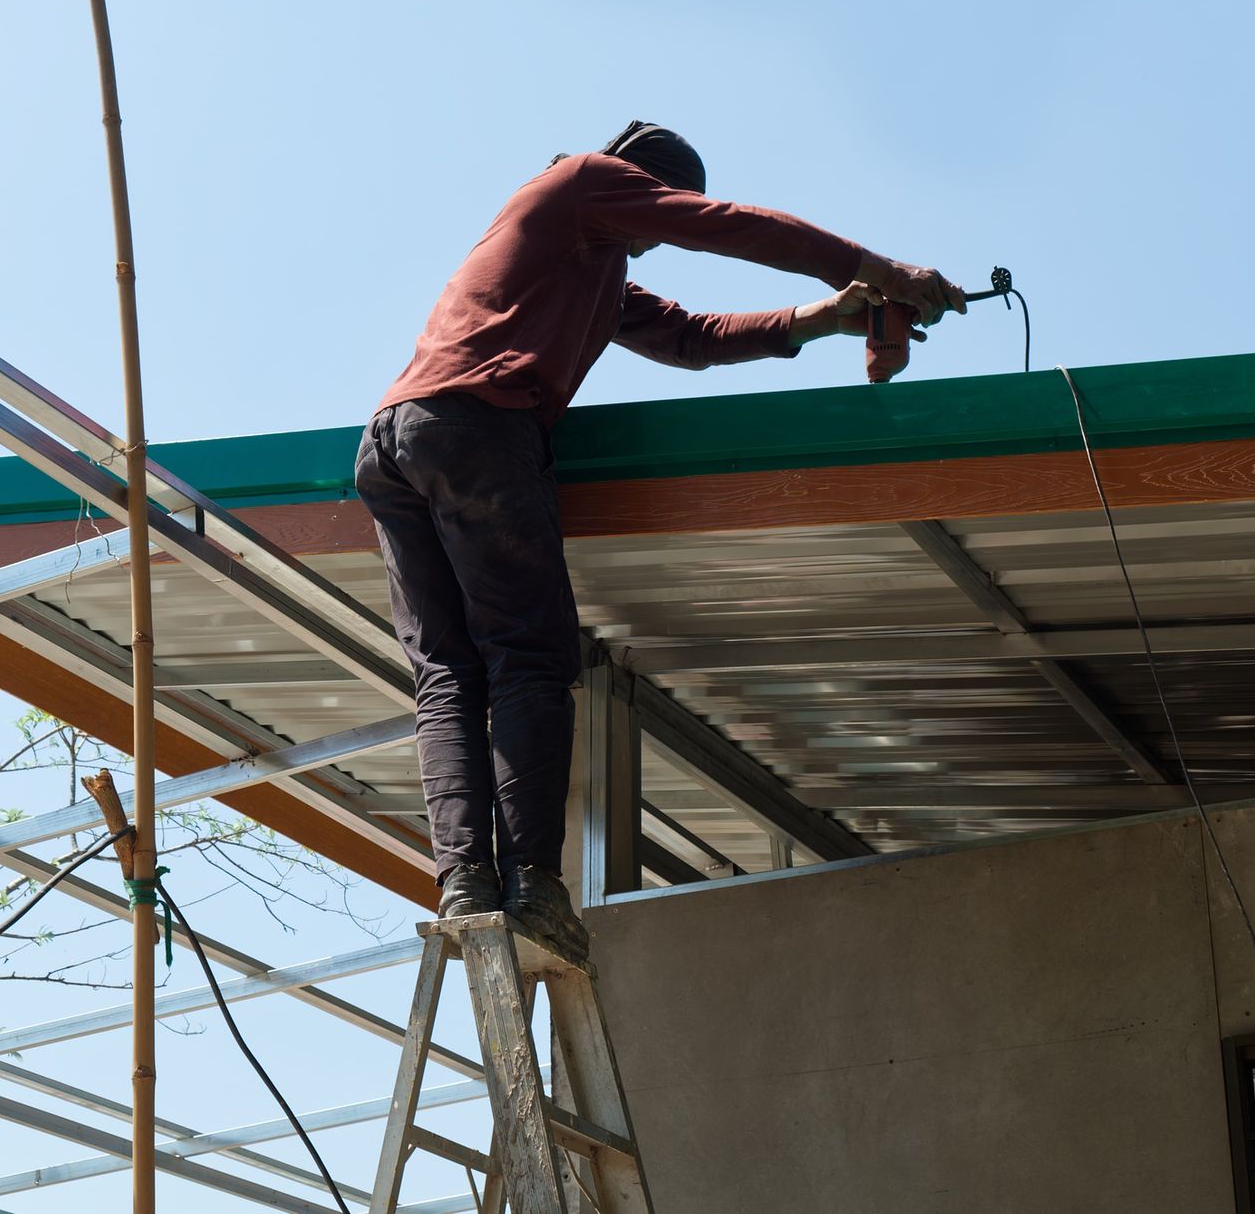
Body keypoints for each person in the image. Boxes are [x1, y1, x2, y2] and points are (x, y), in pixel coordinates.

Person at [355, 122, 967, 953]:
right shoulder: (582, 182)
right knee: (528, 659)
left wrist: (825, 317)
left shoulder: (580, 263)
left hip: (397, 440)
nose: (652, 240)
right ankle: (532, 883)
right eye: (656, 215)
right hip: (480, 432)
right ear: (643, 184)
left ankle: (466, 881)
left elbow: (689, 338)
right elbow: (732, 223)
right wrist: (880, 269)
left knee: (448, 676)